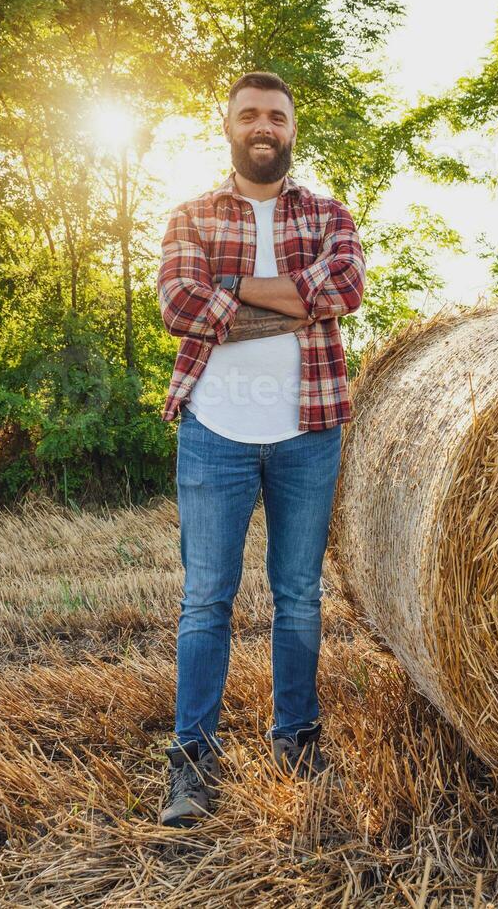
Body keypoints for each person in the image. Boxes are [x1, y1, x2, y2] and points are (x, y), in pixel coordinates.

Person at [153, 70, 366, 828]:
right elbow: (179, 301)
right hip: (215, 431)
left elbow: (344, 288)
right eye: (250, 114)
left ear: (292, 129)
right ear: (229, 127)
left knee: (299, 597)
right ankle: (192, 762)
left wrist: (233, 287)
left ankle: (297, 741)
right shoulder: (193, 214)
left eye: (276, 115)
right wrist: (289, 301)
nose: (263, 125)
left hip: (309, 429)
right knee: (206, 601)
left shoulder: (329, 213)